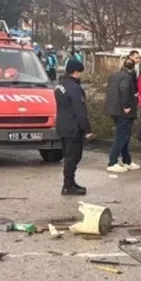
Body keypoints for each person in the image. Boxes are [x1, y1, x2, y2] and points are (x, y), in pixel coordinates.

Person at [54, 58, 93, 196]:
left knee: (68, 155)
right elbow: (80, 111)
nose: (82, 75)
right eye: (80, 72)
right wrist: (87, 130)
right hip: (73, 127)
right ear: (76, 72)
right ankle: (68, 185)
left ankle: (70, 182)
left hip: (62, 125)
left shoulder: (60, 85)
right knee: (74, 156)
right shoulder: (75, 88)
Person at [104, 56, 140, 173]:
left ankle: (127, 161)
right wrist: (127, 106)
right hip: (123, 112)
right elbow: (124, 90)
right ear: (133, 68)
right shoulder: (127, 77)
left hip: (113, 110)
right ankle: (112, 162)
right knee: (122, 136)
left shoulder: (113, 76)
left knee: (124, 136)